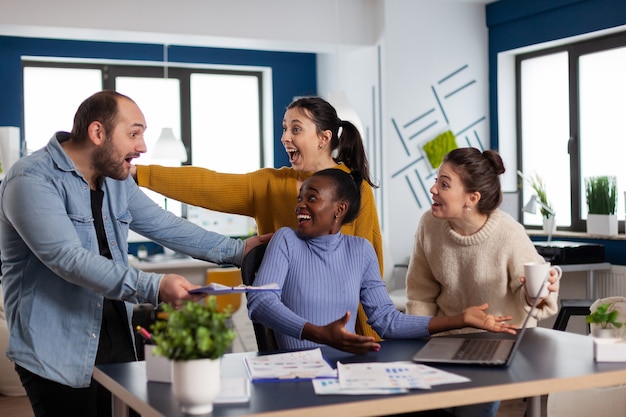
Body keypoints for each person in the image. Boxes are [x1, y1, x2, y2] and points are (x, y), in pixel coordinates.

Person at [0, 90, 270, 417]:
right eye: (133, 134)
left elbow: (163, 224)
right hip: (57, 350)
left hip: (119, 339)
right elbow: (66, 259)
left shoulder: (116, 180)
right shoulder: (31, 178)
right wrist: (154, 287)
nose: (141, 147)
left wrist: (239, 250)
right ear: (97, 132)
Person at [132, 96, 383, 339]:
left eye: (296, 129)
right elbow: (210, 184)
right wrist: (138, 173)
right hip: (285, 328)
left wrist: (375, 342)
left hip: (343, 332)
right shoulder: (268, 184)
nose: (285, 137)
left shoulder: (355, 188)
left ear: (323, 138)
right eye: (285, 128)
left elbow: (369, 276)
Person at [246, 168, 517, 355]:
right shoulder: (286, 240)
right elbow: (261, 302)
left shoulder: (360, 250)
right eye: (300, 198)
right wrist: (318, 333)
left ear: (339, 209)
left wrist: (460, 319)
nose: (299, 205)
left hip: (347, 373)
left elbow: (386, 320)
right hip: (297, 377)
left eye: (311, 198)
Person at [405, 147, 560, 417]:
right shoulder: (429, 226)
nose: (433, 189)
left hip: (498, 345)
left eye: (444, 184)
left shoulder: (508, 233)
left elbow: (532, 294)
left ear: (471, 198)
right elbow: (420, 295)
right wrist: (420, 345)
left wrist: (539, 291)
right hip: (445, 342)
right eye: (435, 180)